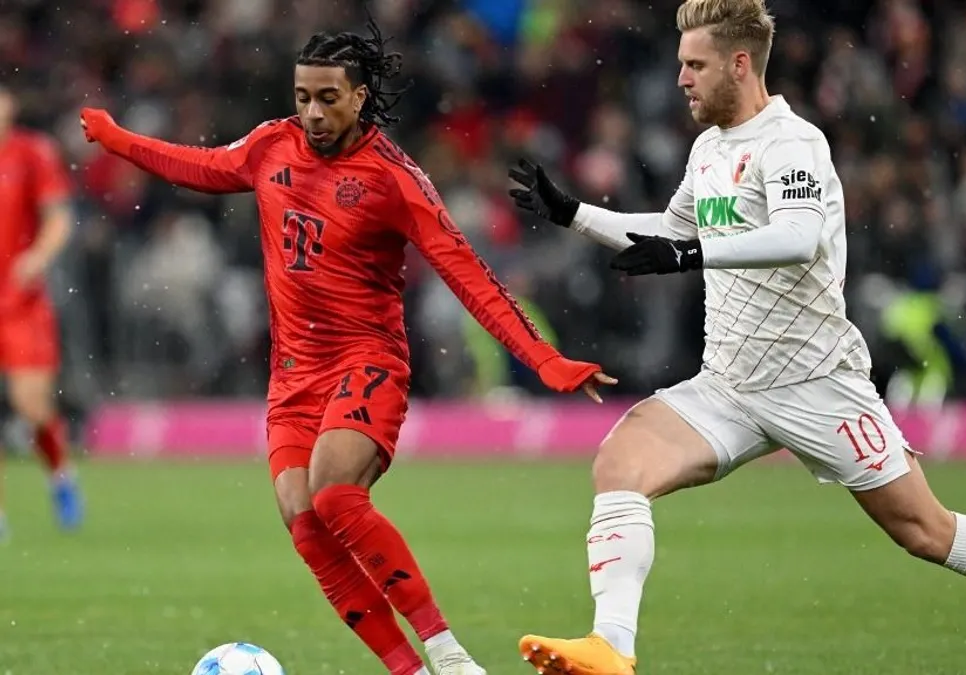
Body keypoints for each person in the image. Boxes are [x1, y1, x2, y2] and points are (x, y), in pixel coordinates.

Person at [506, 1, 966, 674]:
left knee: (925, 530)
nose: (681, 79)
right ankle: (612, 648)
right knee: (620, 462)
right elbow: (672, 231)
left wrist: (689, 256)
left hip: (817, 383)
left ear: (739, 64)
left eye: (695, 65)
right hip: (730, 385)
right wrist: (573, 214)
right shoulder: (710, 148)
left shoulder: (793, 144)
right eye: (681, 65)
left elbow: (797, 237)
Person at [81, 16, 613, 675]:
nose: (312, 112)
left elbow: (469, 275)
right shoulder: (271, 145)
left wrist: (545, 359)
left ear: (359, 97)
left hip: (367, 362)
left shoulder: (394, 178)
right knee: (304, 522)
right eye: (302, 96)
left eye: (328, 98)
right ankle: (409, 671)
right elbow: (201, 165)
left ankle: (450, 657)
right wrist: (118, 140)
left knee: (335, 494)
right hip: (292, 377)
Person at [0, 83, 82, 538]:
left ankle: (60, 475)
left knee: (31, 405)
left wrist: (37, 257)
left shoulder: (31, 152)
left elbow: (59, 217)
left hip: (20, 302)